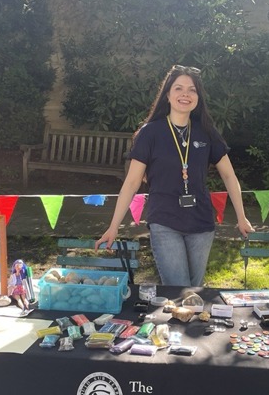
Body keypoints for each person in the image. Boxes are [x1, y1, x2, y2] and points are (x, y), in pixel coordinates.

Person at [95, 64, 255, 287]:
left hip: (202, 223)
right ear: (167, 94)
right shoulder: (149, 133)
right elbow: (131, 183)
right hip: (165, 221)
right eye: (179, 88)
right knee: (178, 288)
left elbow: (229, 176)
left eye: (192, 90)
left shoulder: (207, 131)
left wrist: (241, 216)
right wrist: (113, 226)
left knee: (194, 290)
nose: (185, 94)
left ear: (198, 97)